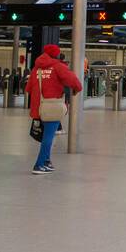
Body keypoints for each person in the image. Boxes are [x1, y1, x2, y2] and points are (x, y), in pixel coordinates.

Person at [26, 44, 82, 174]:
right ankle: (39, 164)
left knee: (46, 134)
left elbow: (28, 88)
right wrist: (76, 89)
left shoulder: (36, 69)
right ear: (56, 54)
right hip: (52, 106)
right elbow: (74, 82)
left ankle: (46, 162)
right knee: (48, 137)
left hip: (38, 107)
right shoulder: (58, 66)